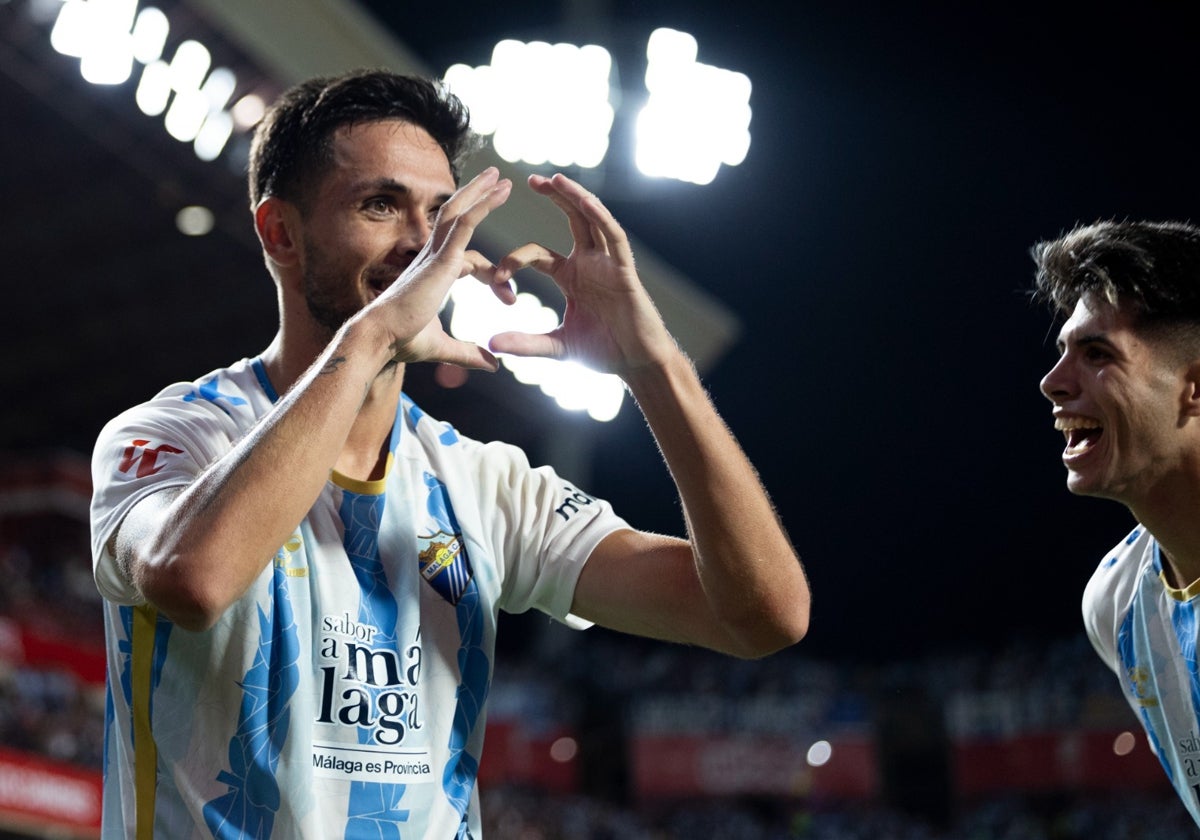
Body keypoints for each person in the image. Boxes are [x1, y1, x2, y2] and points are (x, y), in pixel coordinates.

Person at [88, 69, 809, 838]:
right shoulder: (175, 435)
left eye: (440, 213)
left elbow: (761, 617)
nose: (423, 246)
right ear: (281, 234)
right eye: (379, 205)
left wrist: (654, 366)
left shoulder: (482, 484)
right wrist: (369, 338)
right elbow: (193, 580)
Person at [1036, 219, 1200, 829]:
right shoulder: (1117, 606)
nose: (1052, 383)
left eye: (1097, 354)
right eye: (1062, 354)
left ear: (1195, 387)